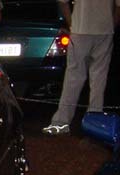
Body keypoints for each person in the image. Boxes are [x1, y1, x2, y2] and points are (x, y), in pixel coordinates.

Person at [43, 0, 120, 135]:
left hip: (81, 29)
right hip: (104, 30)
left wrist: (72, 24)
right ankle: (94, 122)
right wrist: (111, 24)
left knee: (73, 77)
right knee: (99, 78)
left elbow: (63, 3)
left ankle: (61, 122)